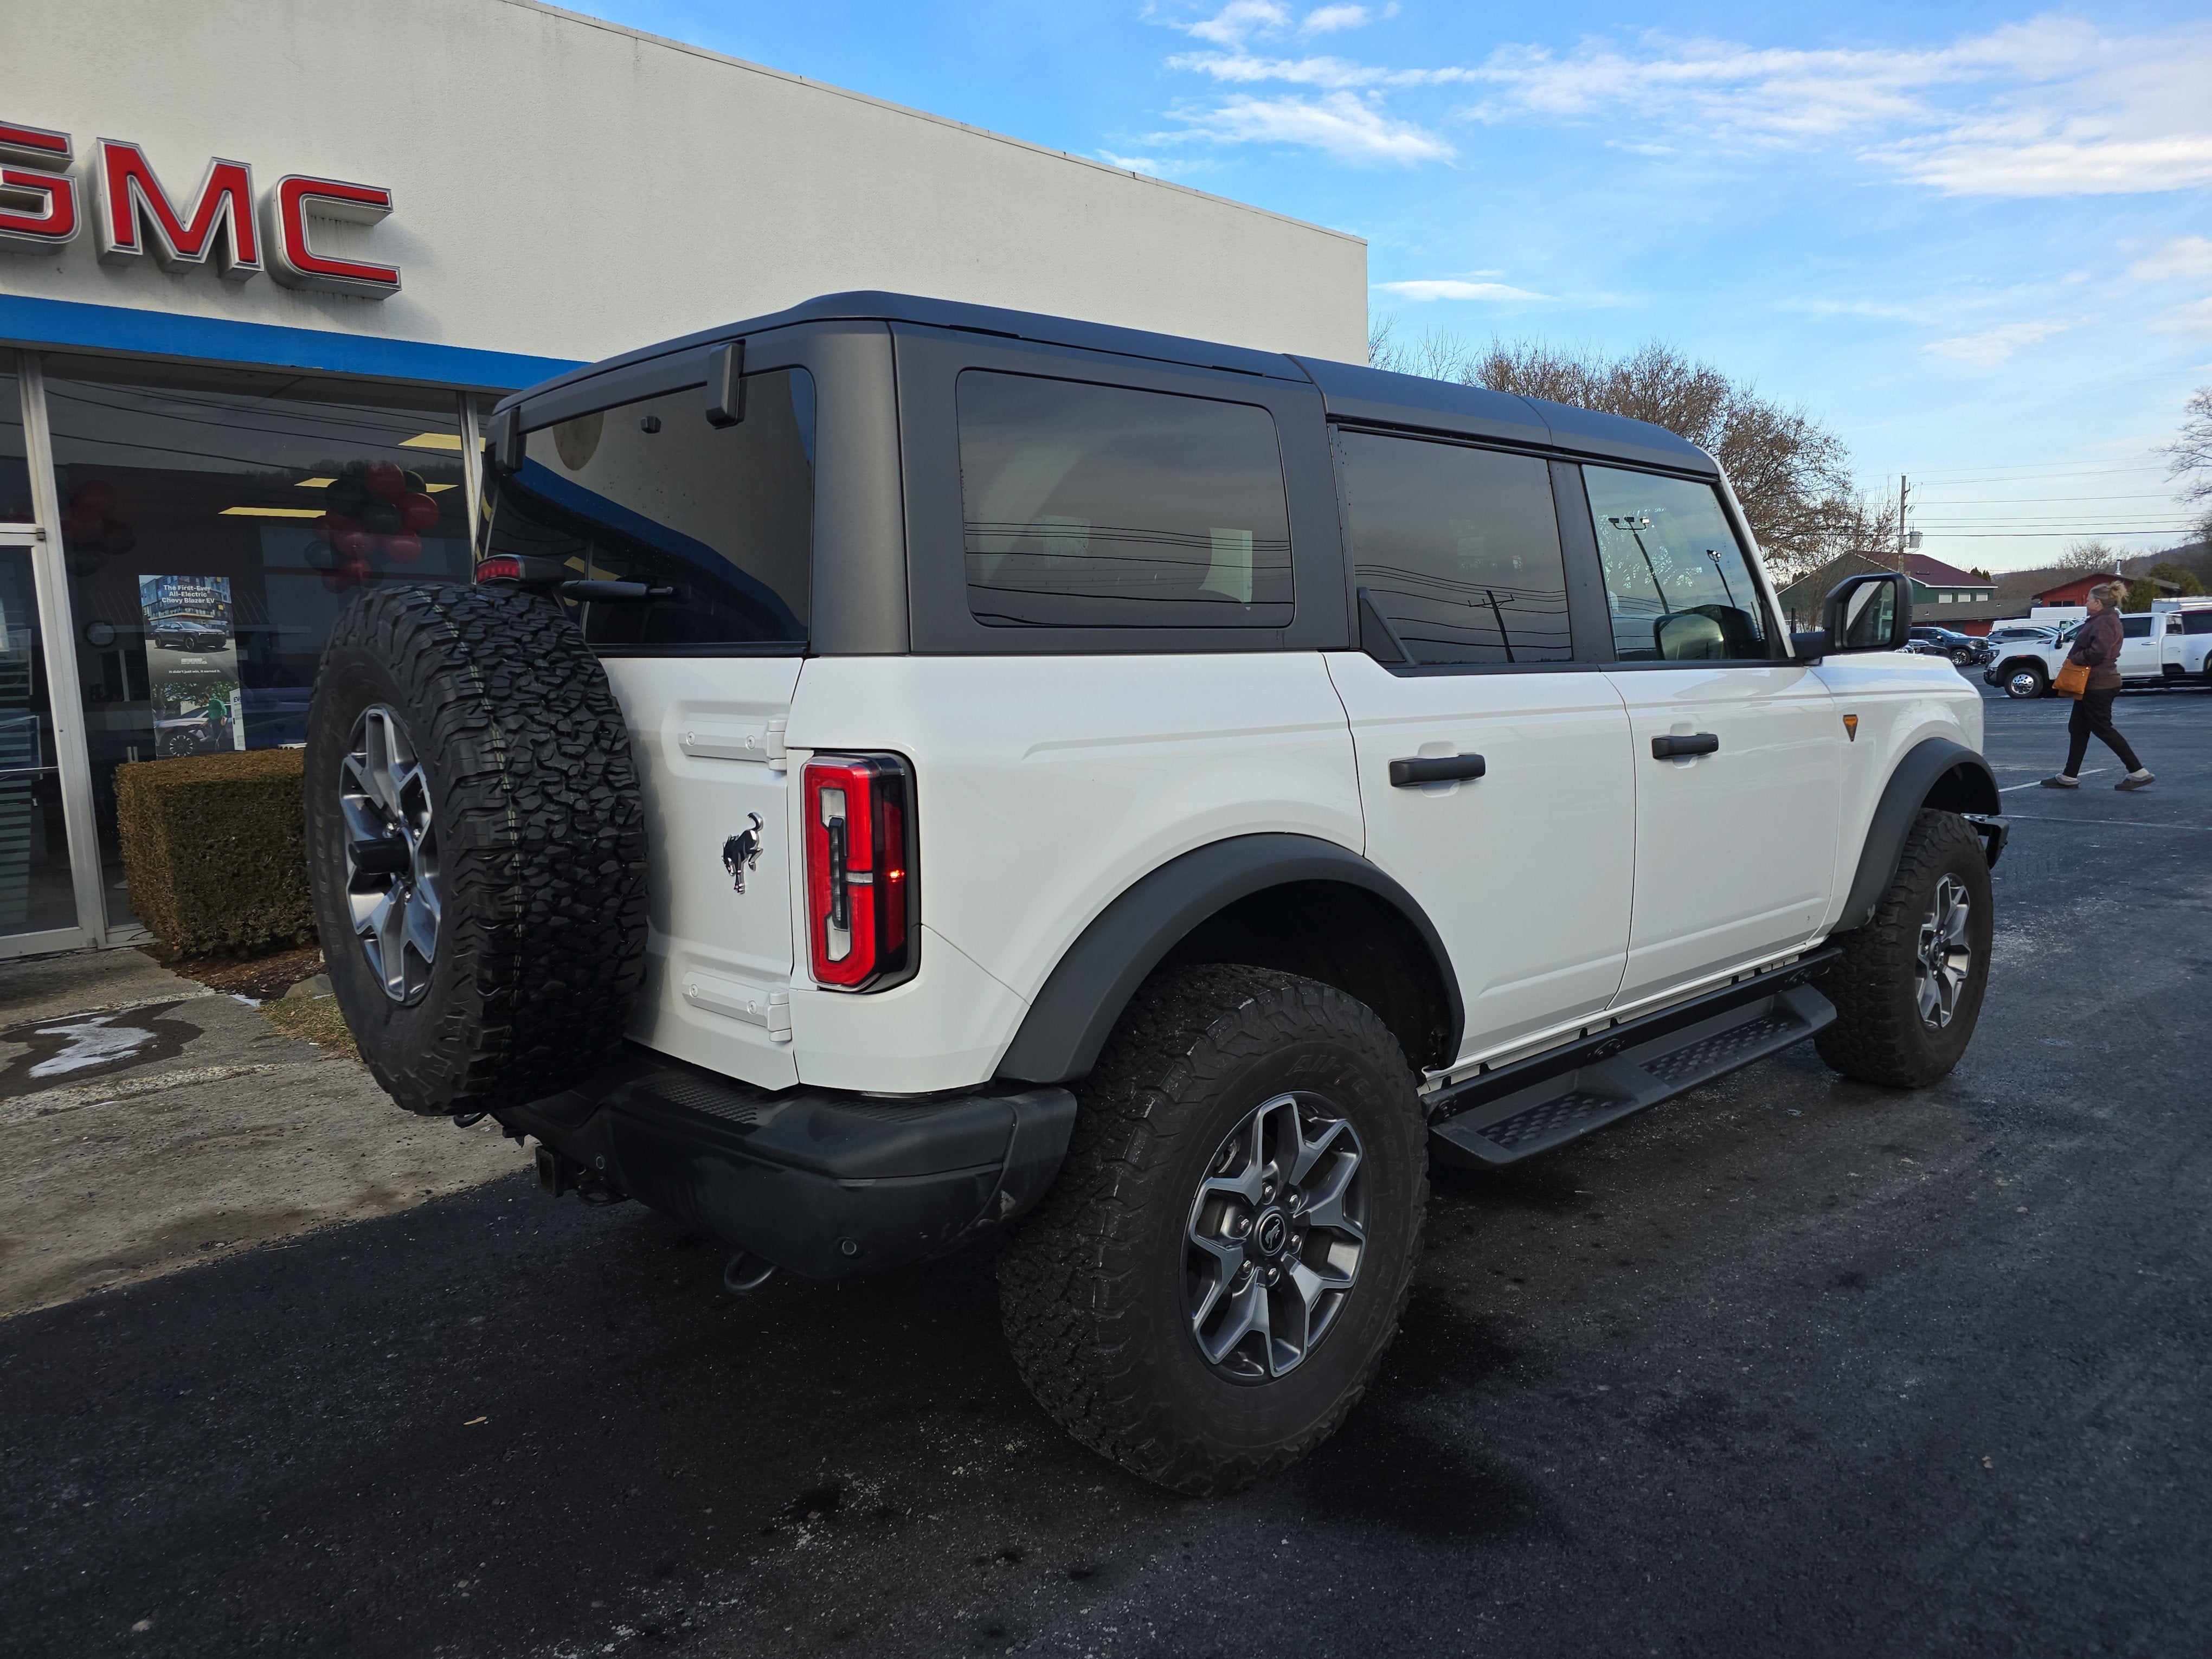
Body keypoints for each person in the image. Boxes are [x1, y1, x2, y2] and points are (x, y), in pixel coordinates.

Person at [2043, 581, 2153, 790]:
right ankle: (2069, 776)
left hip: (2099, 683)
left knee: (2102, 728)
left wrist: (2076, 657)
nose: (2086, 603)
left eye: (2089, 600)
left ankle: (2139, 772)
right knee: (2078, 728)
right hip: (2093, 683)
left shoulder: (2104, 622)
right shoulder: (2104, 619)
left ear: (2099, 603)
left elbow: (2098, 653)